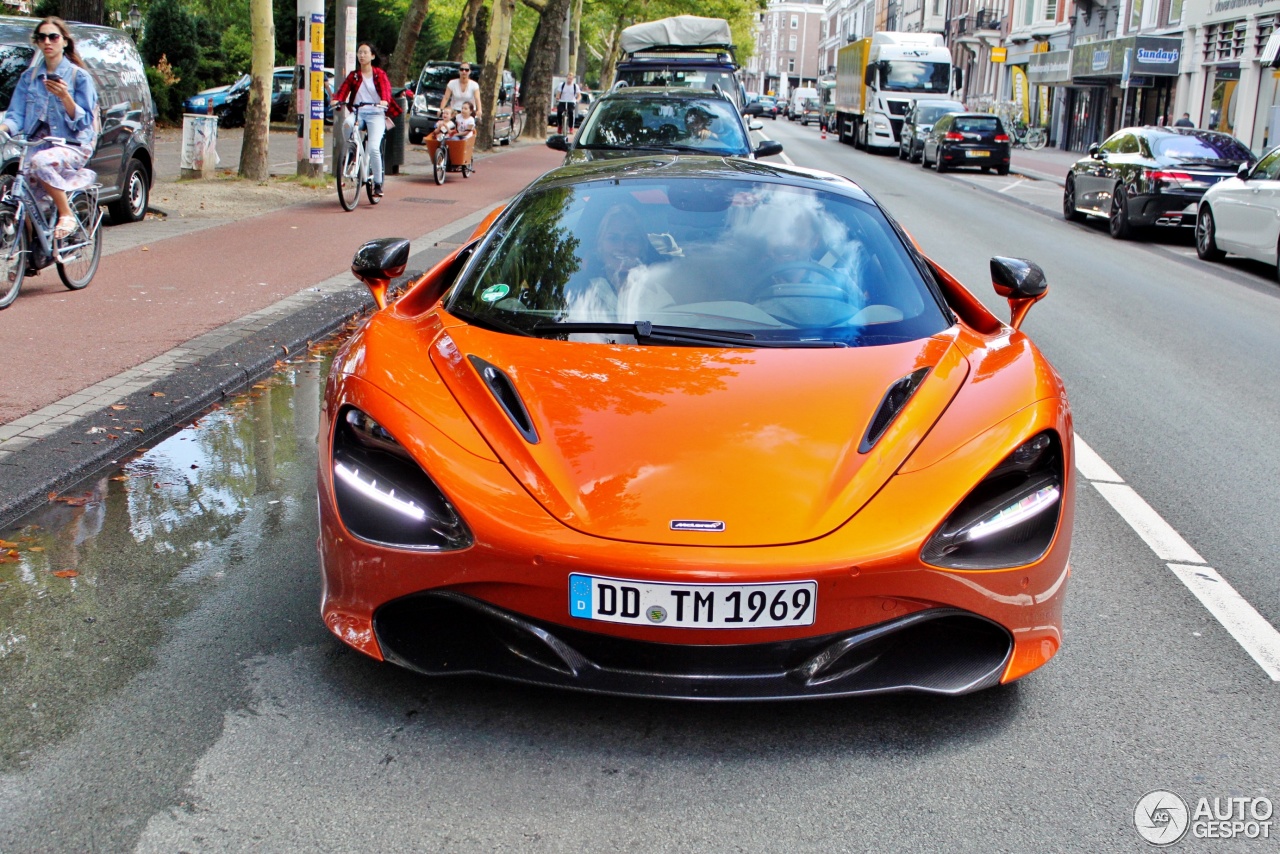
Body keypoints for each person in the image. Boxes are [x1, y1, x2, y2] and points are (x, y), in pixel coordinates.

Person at [0, 17, 99, 241]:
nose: (47, 41)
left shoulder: (78, 76)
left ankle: (66, 214)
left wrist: (65, 97)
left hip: (72, 144)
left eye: (53, 36)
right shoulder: (29, 78)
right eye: (41, 37)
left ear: (64, 41)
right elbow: (16, 115)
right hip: (37, 144)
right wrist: (3, 128)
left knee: (40, 162)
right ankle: (30, 255)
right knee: (21, 191)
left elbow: (84, 123)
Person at [334, 42, 393, 197]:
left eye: (365, 52)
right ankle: (352, 151)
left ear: (372, 56)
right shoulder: (354, 75)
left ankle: (378, 184)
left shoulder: (379, 74)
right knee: (347, 124)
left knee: (373, 148)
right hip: (359, 112)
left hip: (376, 114)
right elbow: (343, 90)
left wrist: (385, 100)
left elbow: (386, 90)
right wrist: (337, 100)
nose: (362, 55)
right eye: (360, 52)